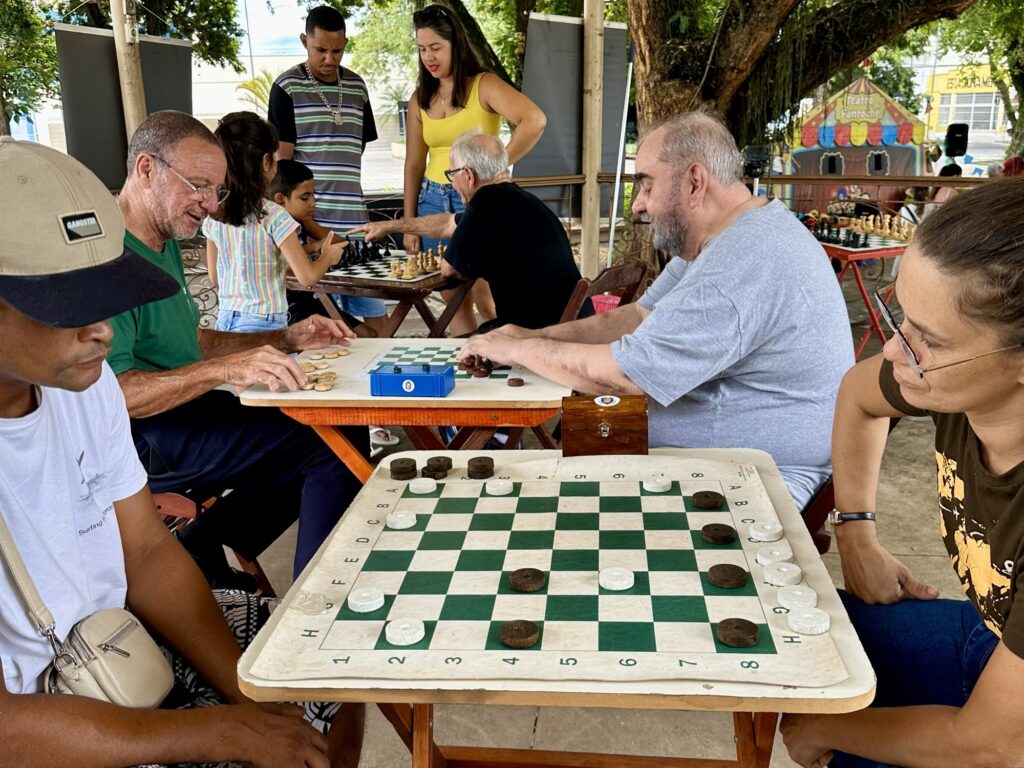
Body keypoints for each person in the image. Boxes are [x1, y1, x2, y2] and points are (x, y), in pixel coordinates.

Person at [0, 136, 361, 768]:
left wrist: (247, 697)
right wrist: (219, 733)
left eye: (106, 295)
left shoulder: (84, 388)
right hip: (40, 717)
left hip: (118, 643)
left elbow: (144, 550)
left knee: (331, 670)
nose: (104, 330)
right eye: (69, 305)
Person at [459, 110, 854, 508]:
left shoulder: (741, 261)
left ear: (695, 183)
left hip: (756, 480)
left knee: (530, 503)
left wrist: (516, 351)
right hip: (712, 462)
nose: (637, 206)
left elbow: (625, 377)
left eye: (646, 186)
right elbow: (635, 317)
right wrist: (528, 336)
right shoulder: (721, 236)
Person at [781, 176, 1024, 768]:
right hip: (993, 647)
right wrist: (856, 532)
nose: (894, 351)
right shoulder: (951, 386)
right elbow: (858, 394)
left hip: (1004, 730)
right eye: (901, 320)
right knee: (788, 644)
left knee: (823, 715)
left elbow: (995, 744)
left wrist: (830, 732)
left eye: (930, 340)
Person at [107, 110, 368, 585]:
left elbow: (193, 341)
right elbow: (114, 396)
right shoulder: (110, 258)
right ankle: (316, 599)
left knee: (335, 424)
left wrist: (282, 338)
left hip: (184, 412)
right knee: (331, 440)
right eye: (198, 185)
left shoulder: (160, 240)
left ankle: (204, 542)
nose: (209, 204)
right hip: (143, 440)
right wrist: (226, 371)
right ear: (146, 169)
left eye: (217, 190)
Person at [352, 131, 592, 332]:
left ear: (468, 175)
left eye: (451, 174)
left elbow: (450, 269)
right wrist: (391, 226)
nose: (451, 183)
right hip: (571, 321)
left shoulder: (487, 200)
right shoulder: (519, 198)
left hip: (536, 331)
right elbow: (447, 224)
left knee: (457, 350)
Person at [404, 3, 546, 335]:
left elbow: (535, 121)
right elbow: (413, 163)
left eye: (436, 47)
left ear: (456, 44)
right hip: (431, 199)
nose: (429, 57)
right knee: (451, 296)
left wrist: (496, 168)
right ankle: (468, 360)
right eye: (422, 49)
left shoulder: (484, 85)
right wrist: (409, 223)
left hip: (479, 200)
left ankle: (511, 356)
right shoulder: (419, 98)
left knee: (489, 296)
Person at [268, 5, 387, 336]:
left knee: (377, 321)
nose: (330, 59)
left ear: (345, 44)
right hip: (311, 235)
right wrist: (307, 222)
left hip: (356, 227)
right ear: (305, 41)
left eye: (337, 50)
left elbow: (355, 151)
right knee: (329, 329)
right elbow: (283, 167)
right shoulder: (286, 87)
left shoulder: (358, 87)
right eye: (321, 50)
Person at [204, 112, 346, 333]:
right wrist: (328, 256)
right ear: (266, 161)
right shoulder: (274, 215)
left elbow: (215, 277)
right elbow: (307, 276)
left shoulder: (214, 213)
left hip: (226, 319)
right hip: (265, 322)